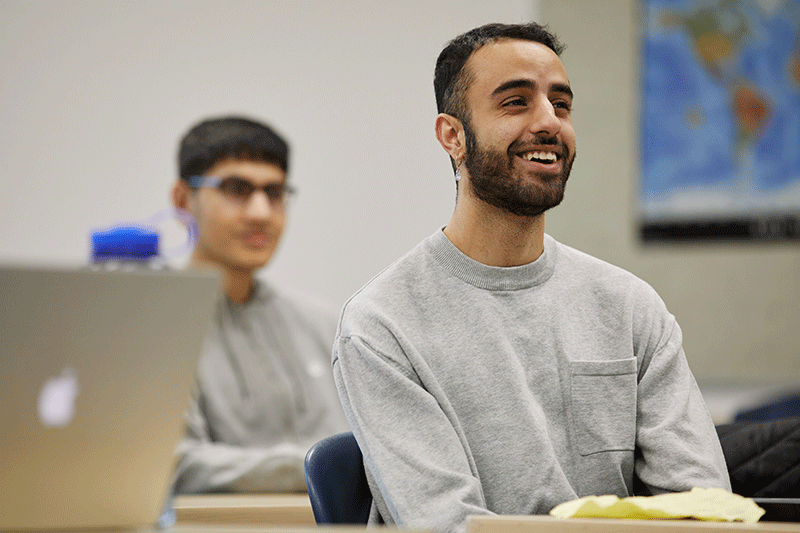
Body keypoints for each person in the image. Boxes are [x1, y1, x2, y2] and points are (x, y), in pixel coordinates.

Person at [332, 22, 731, 533]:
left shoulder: (629, 306)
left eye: (560, 105)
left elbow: (703, 506)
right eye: (516, 102)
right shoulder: (381, 324)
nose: (549, 122)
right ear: (452, 136)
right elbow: (447, 524)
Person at [170, 116, 348, 493]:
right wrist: (320, 467)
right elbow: (172, 465)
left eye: (274, 192)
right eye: (237, 189)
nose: (261, 213)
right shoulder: (152, 324)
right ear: (183, 200)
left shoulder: (323, 324)